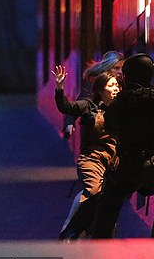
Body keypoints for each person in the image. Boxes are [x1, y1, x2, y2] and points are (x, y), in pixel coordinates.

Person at [90, 53, 154, 238]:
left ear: (128, 77)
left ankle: (96, 247)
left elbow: (110, 125)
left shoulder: (120, 103)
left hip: (128, 166)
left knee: (106, 211)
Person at [52, 65, 121, 240]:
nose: (116, 89)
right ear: (100, 90)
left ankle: (98, 235)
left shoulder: (121, 107)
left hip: (113, 163)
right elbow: (66, 107)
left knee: (109, 200)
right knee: (94, 191)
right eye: (111, 85)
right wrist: (60, 88)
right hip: (91, 159)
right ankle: (72, 231)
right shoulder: (88, 105)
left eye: (117, 85)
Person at [62, 51, 124, 139]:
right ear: (107, 68)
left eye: (122, 68)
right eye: (116, 68)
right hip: (96, 131)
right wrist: (69, 122)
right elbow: (80, 102)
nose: (120, 71)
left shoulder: (123, 82)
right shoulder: (94, 82)